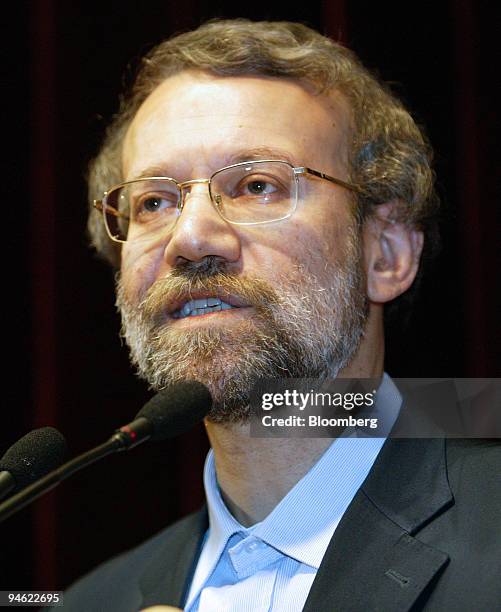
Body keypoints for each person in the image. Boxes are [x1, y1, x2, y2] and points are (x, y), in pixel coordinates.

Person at [62, 19, 500, 611]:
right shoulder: (90, 602)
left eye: (257, 185)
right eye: (154, 202)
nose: (189, 238)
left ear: (387, 254)